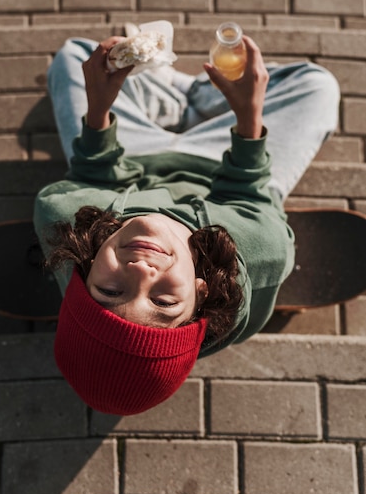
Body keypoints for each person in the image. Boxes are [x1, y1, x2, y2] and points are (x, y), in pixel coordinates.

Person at [33, 31, 340, 415]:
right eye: (163, 301)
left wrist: (99, 112)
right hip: (220, 161)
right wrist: (248, 117)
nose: (141, 272)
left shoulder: (60, 215)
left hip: (136, 152)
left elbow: (94, 176)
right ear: (201, 293)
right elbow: (246, 189)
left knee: (74, 55)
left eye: (111, 290)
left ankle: (174, 98)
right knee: (319, 86)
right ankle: (190, 98)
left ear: (85, 268)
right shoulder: (265, 248)